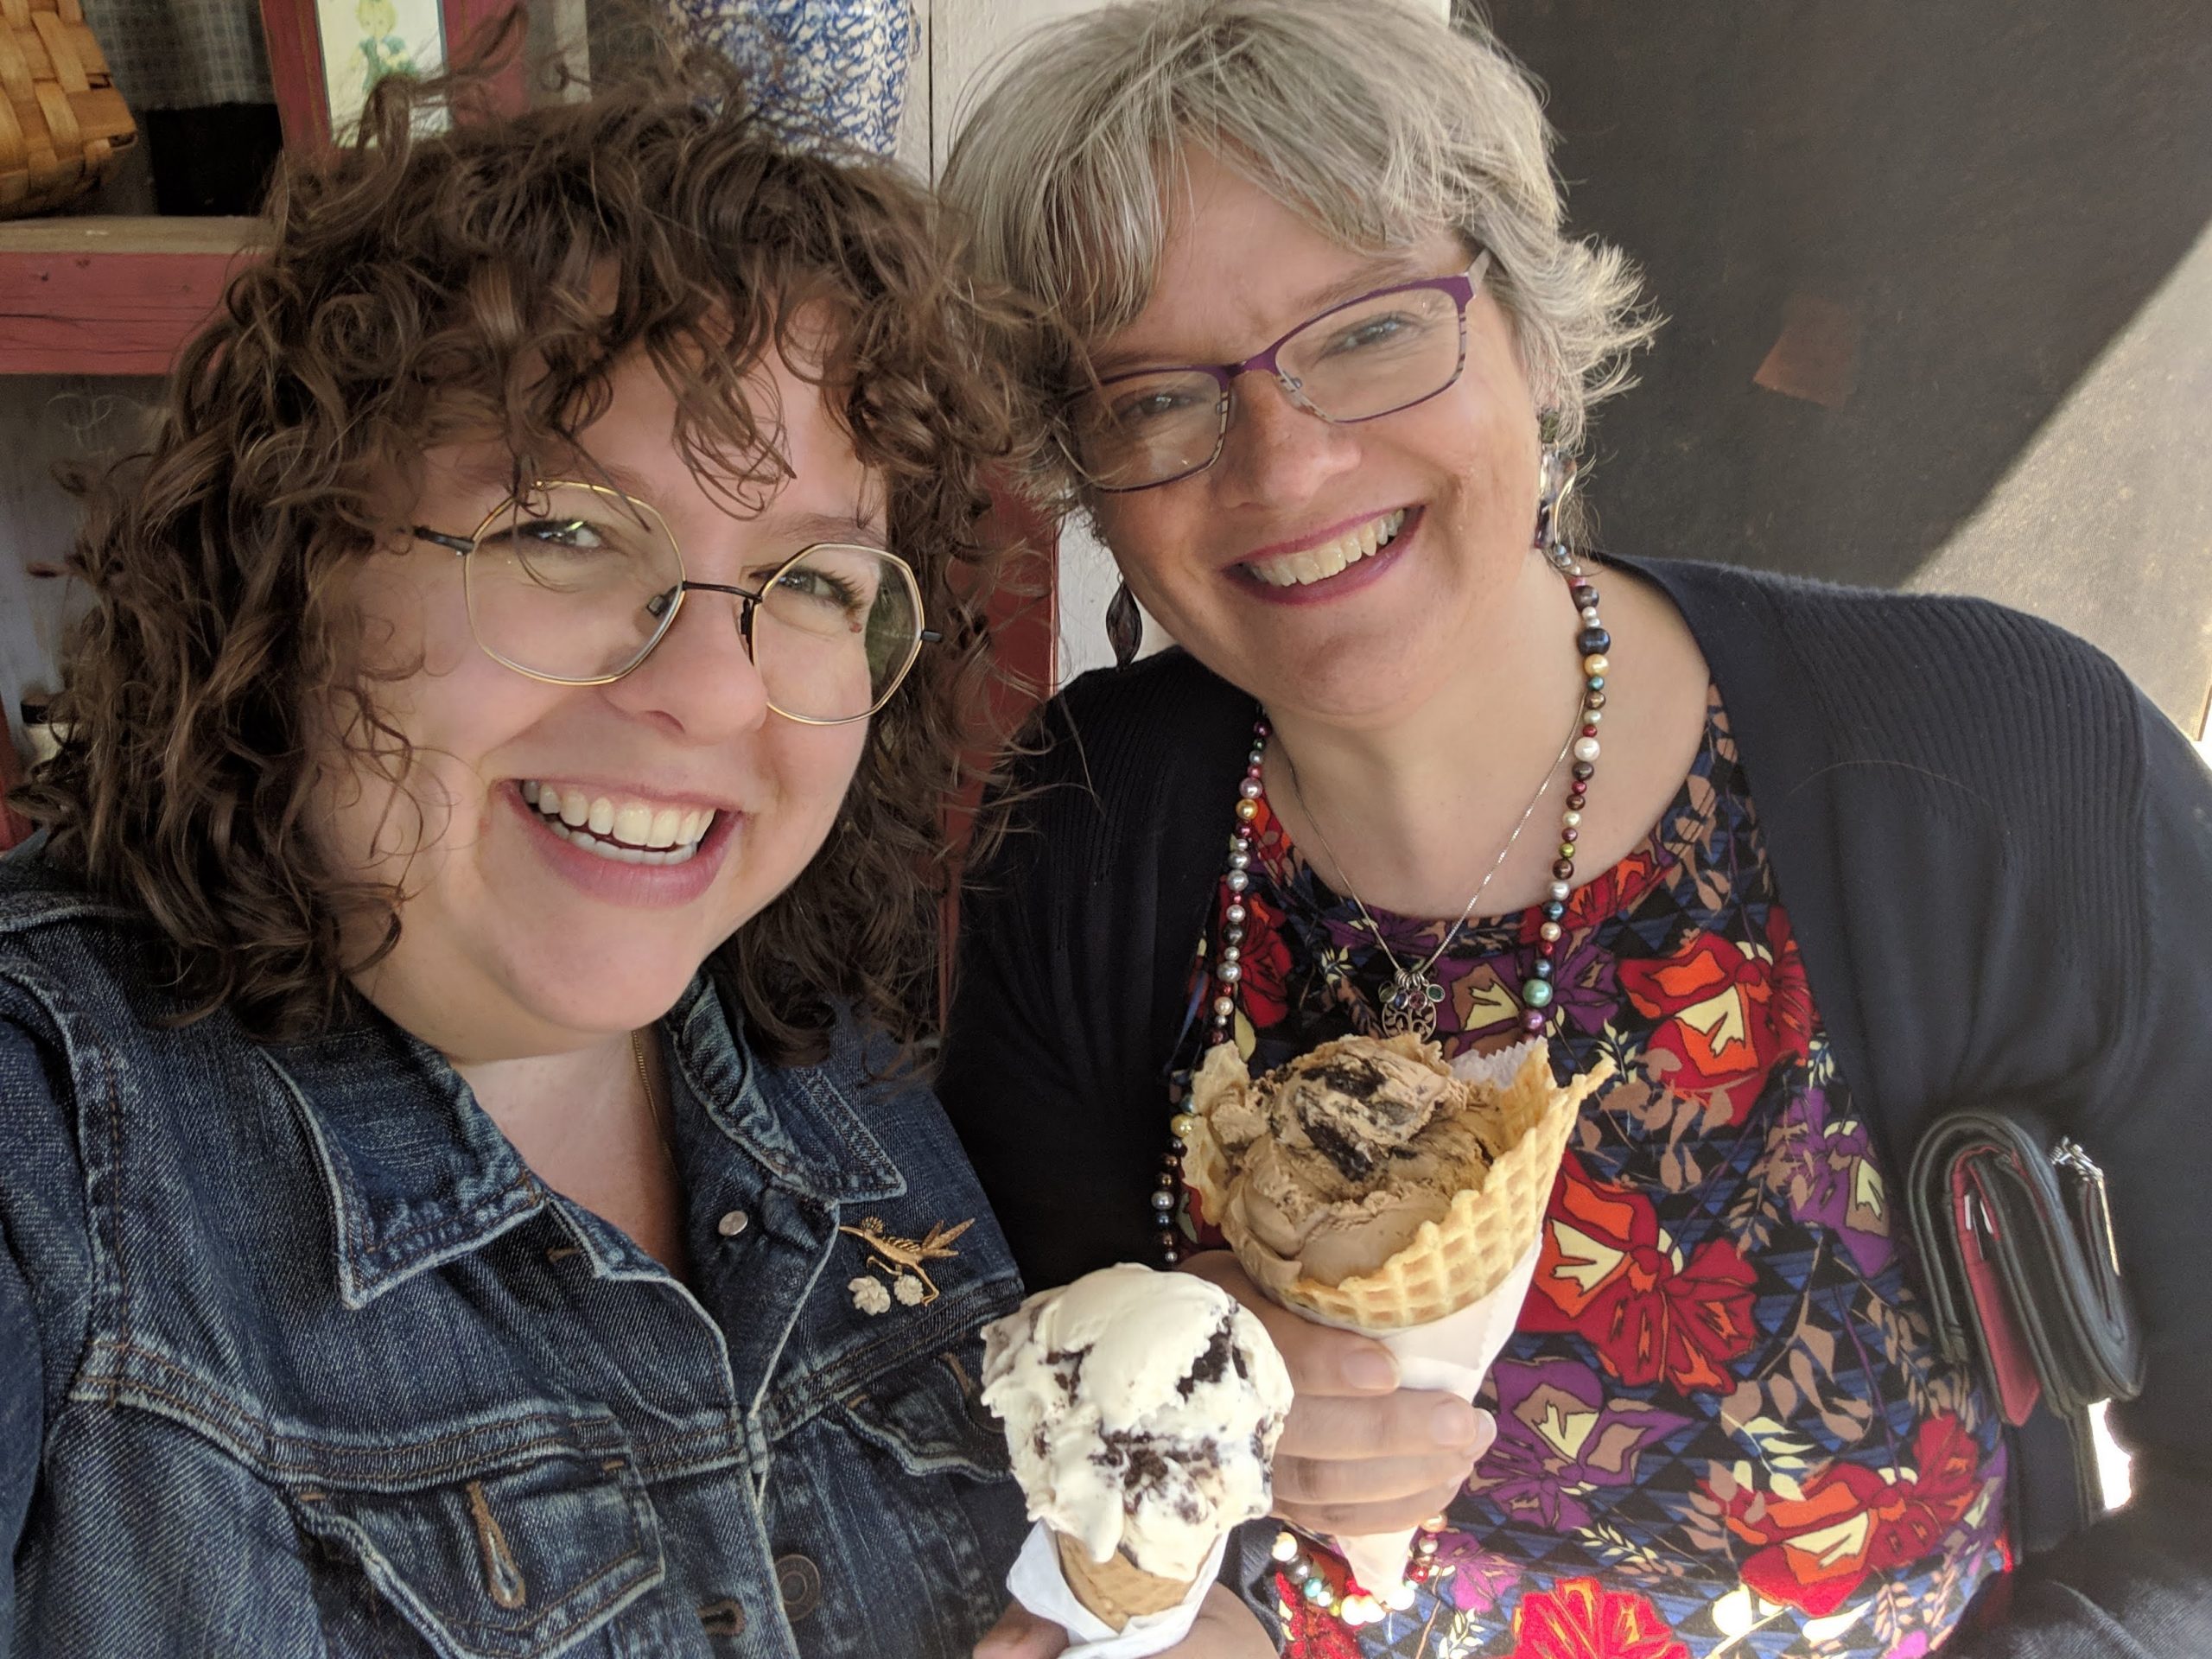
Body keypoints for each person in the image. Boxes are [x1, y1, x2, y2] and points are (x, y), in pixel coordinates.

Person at [937, 1, 2212, 1653]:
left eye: (1373, 330)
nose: (1286, 461)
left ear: (1531, 328)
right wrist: (1188, 1447)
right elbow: (1053, 1447)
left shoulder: (1999, 764)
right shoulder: (1081, 840)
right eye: (1155, 399)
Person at [0, 60, 1269, 1659]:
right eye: (569, 533)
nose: (715, 691)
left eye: (813, 581)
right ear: (292, 558)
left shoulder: (836, 1057)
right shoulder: (47, 1147)